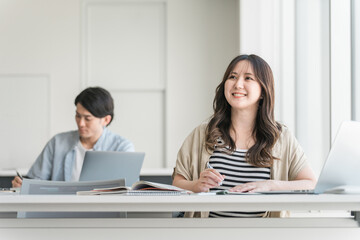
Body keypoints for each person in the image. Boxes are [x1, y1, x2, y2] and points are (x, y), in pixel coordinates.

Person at [172, 54, 317, 218]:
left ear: (263, 91)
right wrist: (197, 185)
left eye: (248, 78)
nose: (238, 84)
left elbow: (310, 183)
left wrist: (270, 186)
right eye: (232, 77)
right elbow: (177, 183)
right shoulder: (201, 134)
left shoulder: (281, 138)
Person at [12, 87, 134, 187]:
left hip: (105, 213)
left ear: (106, 120)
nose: (80, 123)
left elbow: (128, 190)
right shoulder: (57, 143)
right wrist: (23, 186)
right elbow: (35, 182)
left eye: (87, 118)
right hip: (61, 212)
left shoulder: (122, 148)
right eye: (78, 116)